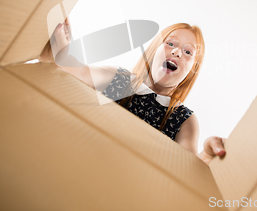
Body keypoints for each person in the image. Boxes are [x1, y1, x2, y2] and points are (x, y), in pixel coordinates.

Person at [39, 19, 226, 165]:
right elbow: (79, 72)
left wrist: (207, 157)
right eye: (170, 43)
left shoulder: (184, 120)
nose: (177, 52)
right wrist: (61, 50)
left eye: (188, 52)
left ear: (192, 70)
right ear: (154, 51)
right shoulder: (120, 79)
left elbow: (187, 169)